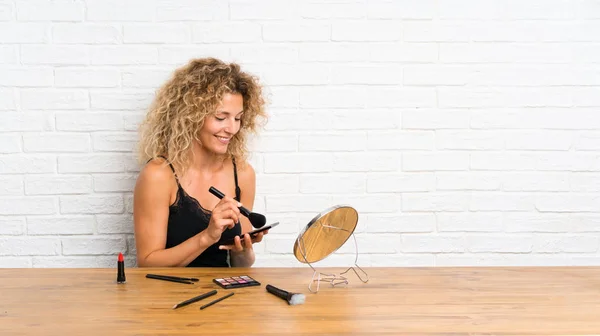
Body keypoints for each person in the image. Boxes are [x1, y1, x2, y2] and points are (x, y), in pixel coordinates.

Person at [133, 58, 268, 267]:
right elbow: (147, 263)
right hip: (168, 296)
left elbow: (239, 264)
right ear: (191, 116)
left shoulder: (242, 173)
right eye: (221, 117)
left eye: (238, 118)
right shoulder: (159, 175)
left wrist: (245, 249)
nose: (232, 129)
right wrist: (208, 236)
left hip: (223, 293)